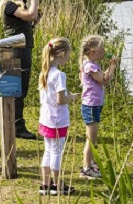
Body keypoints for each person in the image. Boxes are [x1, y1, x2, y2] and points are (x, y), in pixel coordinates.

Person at [0, 0, 39, 139]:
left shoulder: (13, 6)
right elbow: (31, 16)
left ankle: (2, 121)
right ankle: (17, 125)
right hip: (17, 49)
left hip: (16, 47)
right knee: (18, 88)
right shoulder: (10, 6)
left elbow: (32, 19)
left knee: (11, 87)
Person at [38, 37, 78, 195]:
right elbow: (61, 100)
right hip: (57, 120)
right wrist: (72, 97)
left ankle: (45, 183)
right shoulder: (59, 75)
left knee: (48, 150)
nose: (68, 58)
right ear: (61, 54)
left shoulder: (45, 72)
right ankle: (57, 184)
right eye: (68, 55)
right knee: (56, 151)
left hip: (46, 118)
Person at [78, 35, 119, 179]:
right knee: (91, 138)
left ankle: (91, 163)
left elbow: (103, 78)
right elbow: (105, 80)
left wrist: (108, 68)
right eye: (102, 49)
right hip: (90, 106)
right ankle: (86, 168)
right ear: (93, 52)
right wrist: (112, 67)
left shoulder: (89, 64)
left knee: (93, 137)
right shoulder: (90, 66)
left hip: (94, 105)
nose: (104, 51)